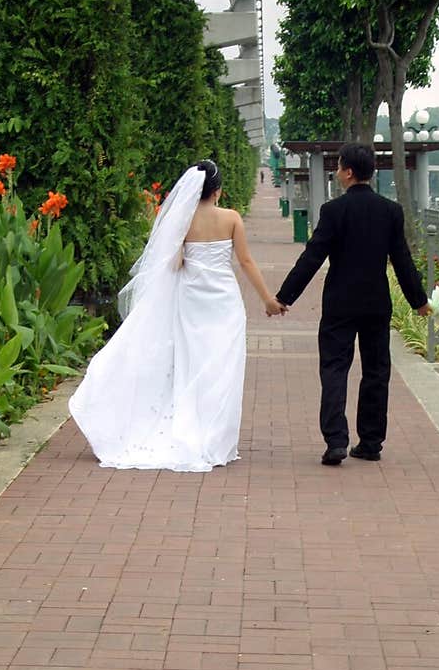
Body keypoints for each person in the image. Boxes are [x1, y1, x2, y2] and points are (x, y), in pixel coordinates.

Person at [69, 160, 283, 472]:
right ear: (219, 191)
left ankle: (190, 426)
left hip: (191, 299)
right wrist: (268, 299)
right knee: (223, 365)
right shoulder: (232, 218)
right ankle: (216, 440)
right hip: (224, 301)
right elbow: (246, 261)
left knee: (190, 362)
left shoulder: (182, 221)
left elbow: (173, 264)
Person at [275, 143, 429, 465]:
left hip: (339, 304)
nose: (336, 171)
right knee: (376, 370)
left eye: (339, 166)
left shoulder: (334, 212)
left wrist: (284, 297)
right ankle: (371, 442)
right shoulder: (390, 211)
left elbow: (312, 257)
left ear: (347, 172)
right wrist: (419, 301)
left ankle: (336, 441)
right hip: (375, 303)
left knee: (334, 368)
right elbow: (402, 259)